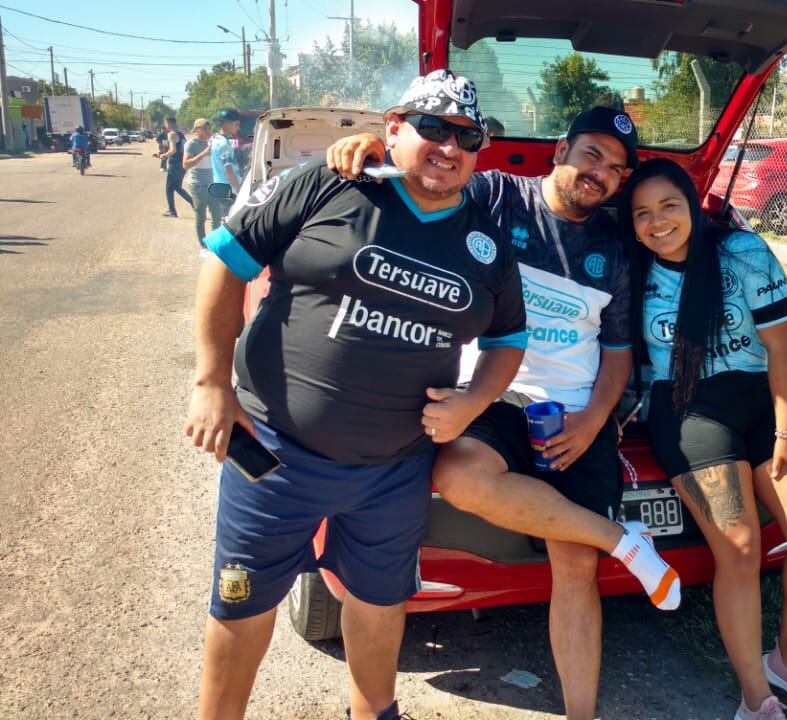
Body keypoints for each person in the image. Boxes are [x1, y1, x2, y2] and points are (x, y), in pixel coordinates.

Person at [185, 69, 529, 720]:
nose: (450, 147)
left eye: (467, 136)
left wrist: (473, 403)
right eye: (433, 128)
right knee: (242, 603)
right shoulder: (328, 183)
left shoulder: (486, 241)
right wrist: (209, 382)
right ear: (392, 128)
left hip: (394, 473)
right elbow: (225, 259)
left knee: (379, 607)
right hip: (274, 454)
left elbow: (509, 338)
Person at [326, 105, 679, 720]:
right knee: (459, 477)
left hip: (574, 416)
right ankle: (626, 542)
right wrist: (366, 148)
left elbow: (619, 357)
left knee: (576, 566)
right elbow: (426, 175)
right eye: (591, 154)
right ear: (560, 151)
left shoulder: (617, 248)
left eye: (616, 169)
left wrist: (593, 422)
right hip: (493, 396)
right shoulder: (494, 195)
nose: (601, 173)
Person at [623, 158, 787, 720]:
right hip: (685, 412)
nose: (658, 222)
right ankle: (756, 697)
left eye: (669, 205)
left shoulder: (745, 254)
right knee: (740, 548)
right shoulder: (630, 270)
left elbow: (780, 348)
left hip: (759, 408)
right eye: (642, 213)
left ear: (692, 204)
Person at [208, 108, 242, 228]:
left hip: (220, 188)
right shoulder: (224, 144)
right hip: (229, 190)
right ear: (227, 123)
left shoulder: (217, 140)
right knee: (228, 224)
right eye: (236, 124)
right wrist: (239, 190)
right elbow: (229, 170)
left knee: (223, 222)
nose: (238, 128)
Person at [184, 118, 215, 244]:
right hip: (198, 184)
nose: (208, 130)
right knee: (201, 217)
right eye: (205, 128)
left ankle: (215, 245)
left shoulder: (212, 142)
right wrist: (204, 153)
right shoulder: (191, 144)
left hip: (213, 184)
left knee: (217, 216)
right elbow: (186, 164)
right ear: (197, 130)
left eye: (209, 128)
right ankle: (203, 245)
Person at [157, 116, 193, 217]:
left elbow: (173, 150)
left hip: (175, 164)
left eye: (165, 123)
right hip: (182, 164)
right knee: (177, 187)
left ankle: (172, 210)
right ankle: (194, 204)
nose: (165, 125)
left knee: (169, 188)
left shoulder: (171, 134)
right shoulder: (181, 135)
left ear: (168, 123)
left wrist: (164, 155)